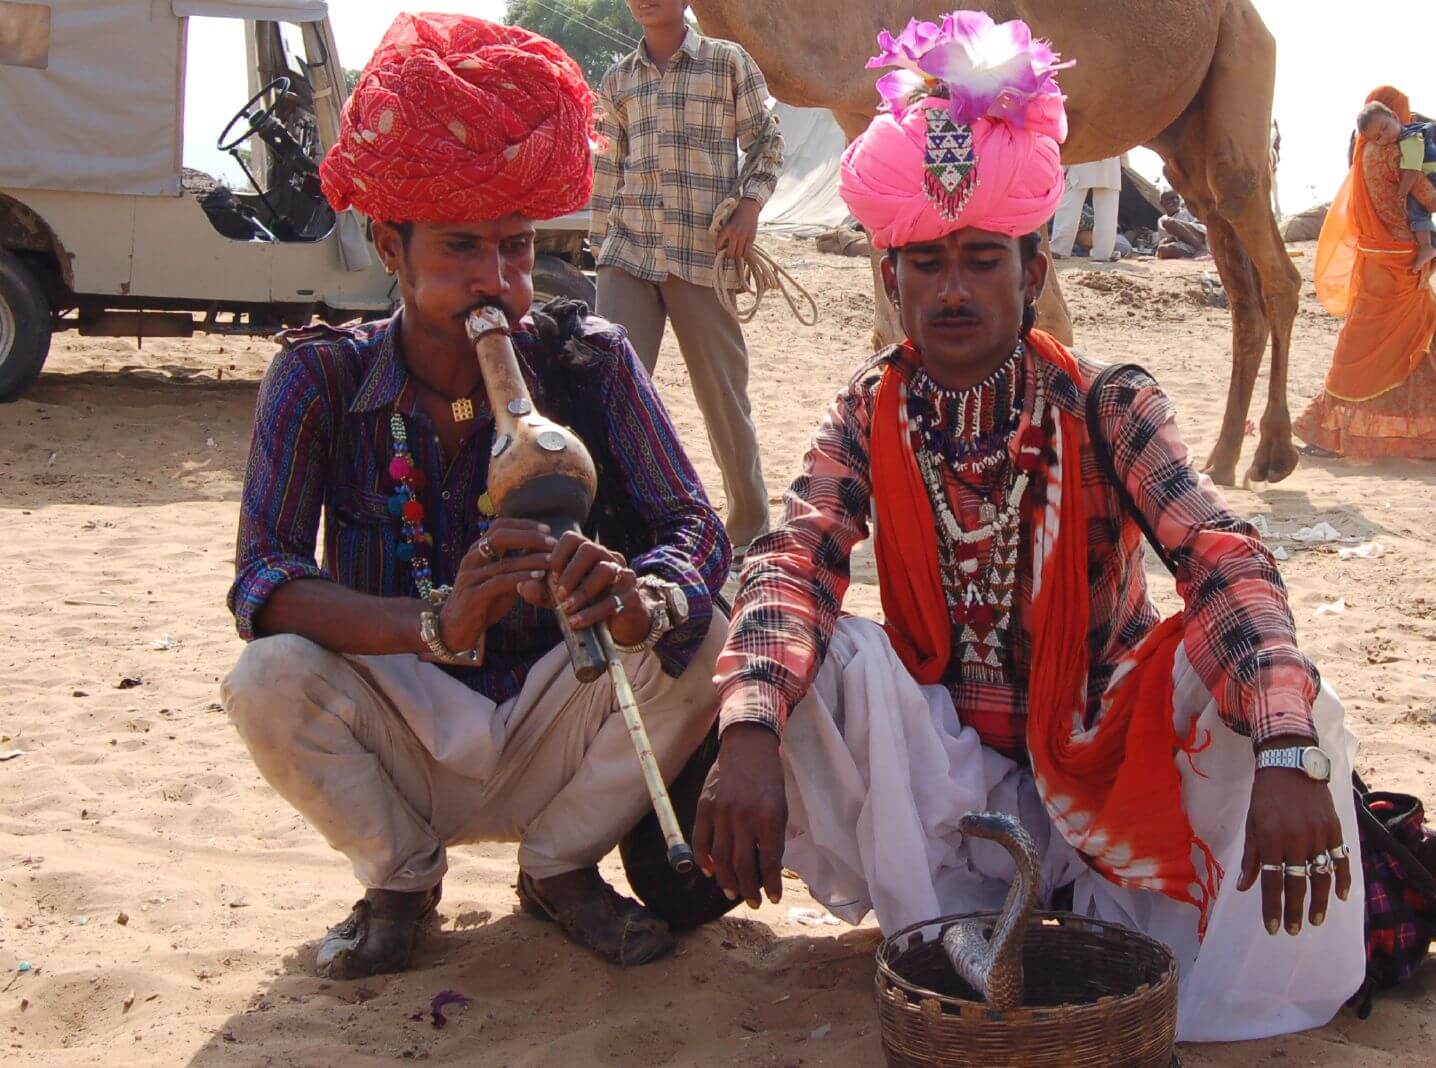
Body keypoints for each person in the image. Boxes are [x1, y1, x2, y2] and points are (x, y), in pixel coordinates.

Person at [693, 12, 1366, 1042]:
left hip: (1105, 761)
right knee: (798, 659)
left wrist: (1285, 751)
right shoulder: (867, 411)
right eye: (926, 263)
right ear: (889, 279)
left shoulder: (1109, 406)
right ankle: (963, 906)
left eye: (980, 259)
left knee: (1279, 697)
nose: (952, 289)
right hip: (951, 776)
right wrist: (746, 727)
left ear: (1032, 269)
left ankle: (1157, 919)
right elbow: (796, 557)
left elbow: (1223, 560)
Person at [221, 13, 731, 978]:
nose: (495, 283)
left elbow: (691, 524)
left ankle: (561, 871)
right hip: (408, 713)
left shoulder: (589, 359)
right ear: (389, 246)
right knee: (268, 679)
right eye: (460, 249)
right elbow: (264, 581)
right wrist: (437, 623)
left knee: (705, 635)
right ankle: (400, 882)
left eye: (516, 249)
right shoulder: (321, 380)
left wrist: (638, 597)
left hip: (560, 709)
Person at [592, 0, 785, 561]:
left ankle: (748, 527)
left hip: (703, 253)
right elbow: (609, 169)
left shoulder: (727, 63)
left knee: (723, 396)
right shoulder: (617, 79)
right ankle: (615, 527)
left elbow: (767, 140)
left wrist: (750, 206)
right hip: (628, 251)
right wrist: (599, 242)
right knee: (611, 389)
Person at [1296, 86, 1436, 460]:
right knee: (1423, 343)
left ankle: (1328, 431)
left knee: (1365, 343)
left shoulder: (1363, 155)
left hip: (1374, 259)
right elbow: (1429, 198)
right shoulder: (1398, 152)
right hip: (1403, 261)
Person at [1356, 101, 1436, 272]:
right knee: (1420, 212)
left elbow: (1412, 172)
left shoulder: (1410, 140)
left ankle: (1427, 248)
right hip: (1432, 178)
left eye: (1385, 128)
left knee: (1417, 210)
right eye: (1378, 137)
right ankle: (1434, 251)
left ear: (1394, 116)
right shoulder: (1395, 148)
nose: (1385, 137)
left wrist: (1401, 194)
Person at [1050, 155, 1122, 260]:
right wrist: (1123, 162)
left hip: (1081, 162)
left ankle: (1059, 249)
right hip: (1110, 164)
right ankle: (1103, 253)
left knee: (1068, 209)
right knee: (1107, 214)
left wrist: (1063, 166)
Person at [1156, 189, 1209, 259]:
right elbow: (1164, 239)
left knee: (1169, 223)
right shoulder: (1161, 220)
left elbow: (1202, 223)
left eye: (1177, 198)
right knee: (1162, 250)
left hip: (1199, 239)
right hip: (1183, 245)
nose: (1175, 201)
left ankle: (1202, 249)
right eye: (1171, 198)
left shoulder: (1187, 212)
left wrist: (1180, 228)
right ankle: (1193, 255)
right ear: (1162, 203)